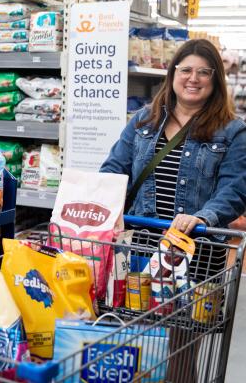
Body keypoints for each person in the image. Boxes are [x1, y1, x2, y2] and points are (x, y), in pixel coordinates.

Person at [100, 38, 246, 382]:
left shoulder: (232, 130)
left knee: (181, 349)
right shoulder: (143, 121)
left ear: (215, 79)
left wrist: (203, 217)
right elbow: (113, 169)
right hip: (141, 250)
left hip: (195, 254)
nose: (193, 78)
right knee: (138, 344)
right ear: (173, 74)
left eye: (203, 72)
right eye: (186, 70)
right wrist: (101, 203)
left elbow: (236, 189)